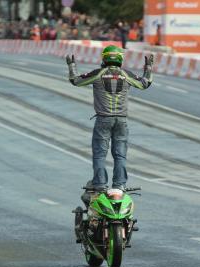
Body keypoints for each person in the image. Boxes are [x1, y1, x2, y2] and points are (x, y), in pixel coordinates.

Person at [65, 45, 153, 202]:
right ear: (120, 58)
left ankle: (100, 185)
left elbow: (76, 81)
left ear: (104, 58)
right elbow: (145, 83)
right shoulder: (126, 74)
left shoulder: (99, 73)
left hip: (103, 119)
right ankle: (119, 185)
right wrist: (148, 68)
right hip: (121, 120)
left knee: (100, 154)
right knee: (120, 154)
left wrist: (71, 66)